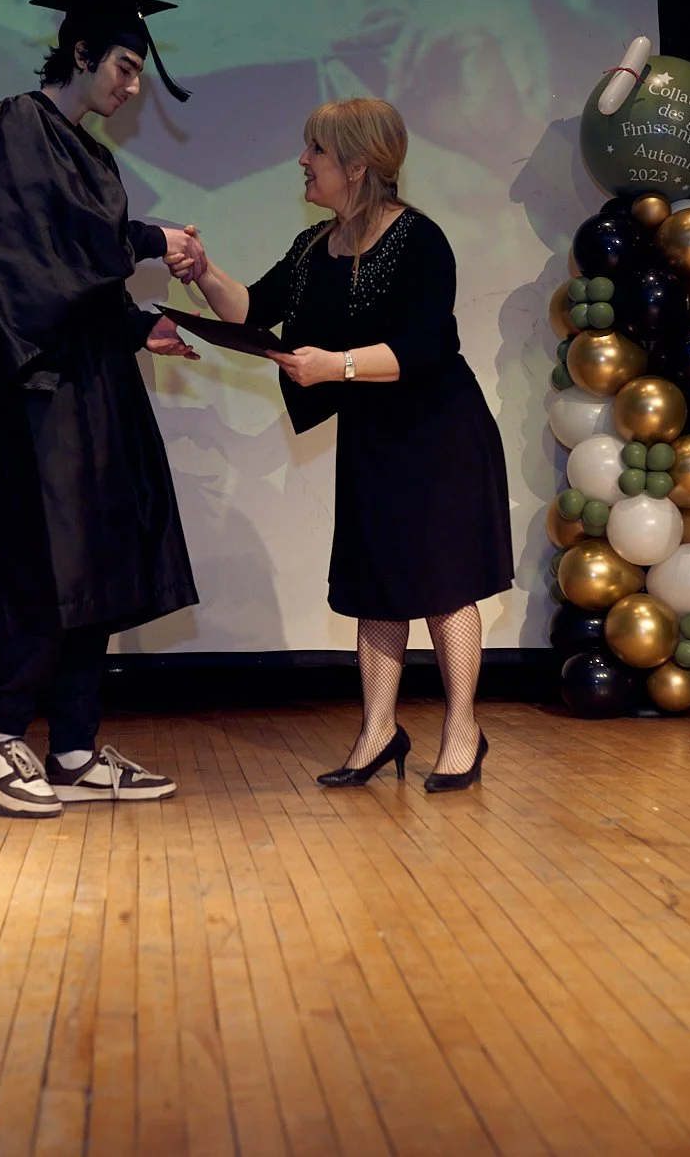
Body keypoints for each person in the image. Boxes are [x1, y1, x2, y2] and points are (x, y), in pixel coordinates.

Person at [170, 98, 513, 791]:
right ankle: (378, 730)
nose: (303, 161)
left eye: (316, 151)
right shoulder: (313, 248)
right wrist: (204, 270)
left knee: (445, 586)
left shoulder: (419, 239)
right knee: (376, 585)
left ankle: (462, 732)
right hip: (375, 437)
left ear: (357, 166)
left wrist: (336, 365)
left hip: (440, 433)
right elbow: (253, 308)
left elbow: (427, 345)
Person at [0, 0, 207, 816]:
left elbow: (91, 276)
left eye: (138, 72)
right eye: (125, 67)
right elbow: (47, 255)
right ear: (80, 54)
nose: (130, 86)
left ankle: (70, 746)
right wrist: (149, 240)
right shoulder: (15, 128)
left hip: (92, 380)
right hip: (38, 386)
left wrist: (142, 331)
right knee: (48, 561)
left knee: (99, 563)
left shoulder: (92, 154)